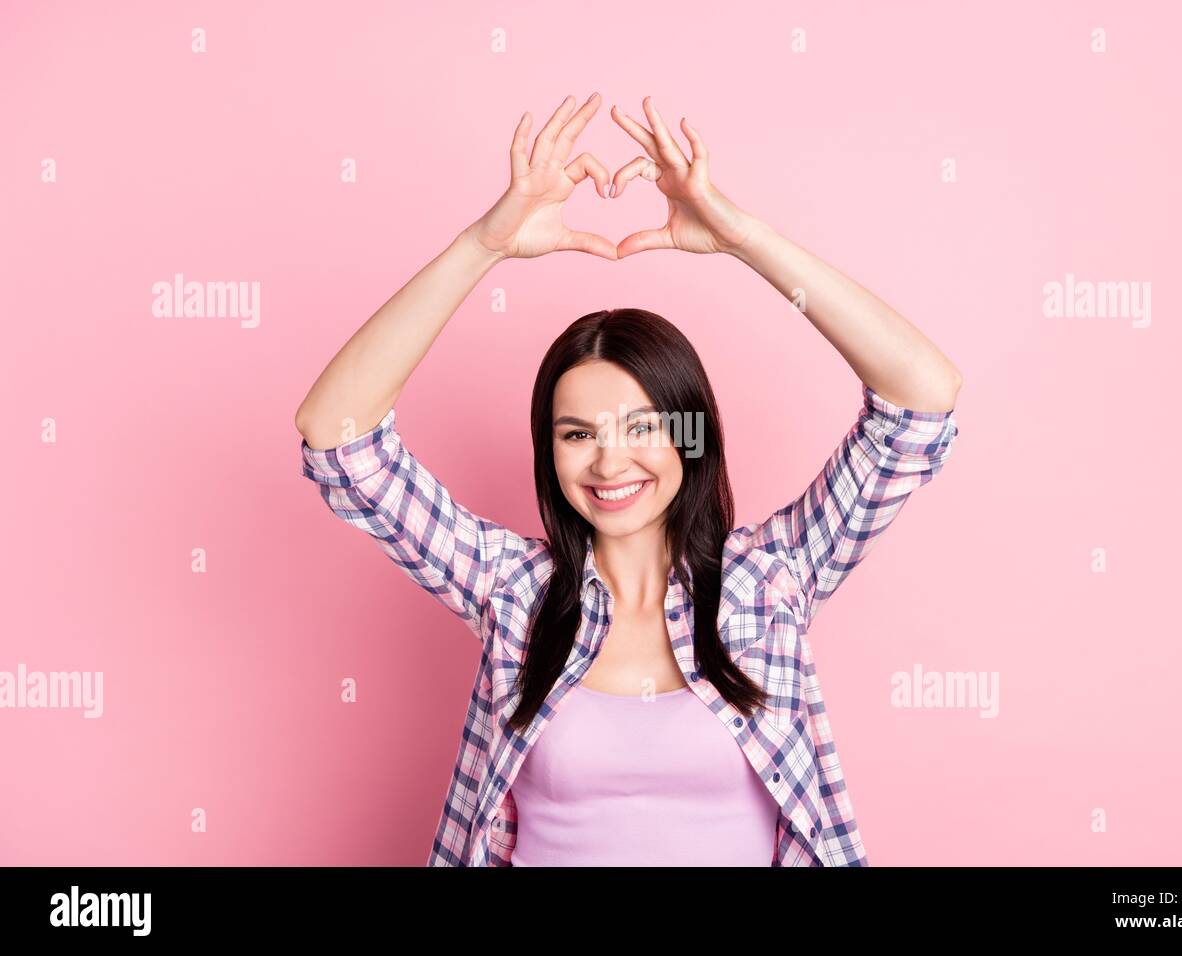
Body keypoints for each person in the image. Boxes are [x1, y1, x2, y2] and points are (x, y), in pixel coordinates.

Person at [295, 92, 962, 866]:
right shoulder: (512, 593)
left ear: (690, 436)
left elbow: (920, 399)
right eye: (577, 434)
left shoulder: (770, 582)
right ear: (550, 451)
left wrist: (744, 239)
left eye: (642, 428)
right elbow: (338, 440)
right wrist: (484, 245)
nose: (609, 463)